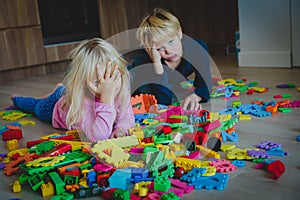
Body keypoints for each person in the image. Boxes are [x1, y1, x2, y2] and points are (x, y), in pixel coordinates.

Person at [11, 38, 135, 142]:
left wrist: (121, 129)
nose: (108, 85)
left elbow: (126, 116)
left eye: (111, 76)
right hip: (53, 107)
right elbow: (99, 137)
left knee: (62, 91)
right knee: (35, 105)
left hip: (66, 96)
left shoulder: (120, 90)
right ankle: (17, 98)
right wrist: (106, 99)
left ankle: (60, 88)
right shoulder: (82, 102)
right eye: (97, 82)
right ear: (83, 85)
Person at [128, 7, 212, 110]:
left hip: (171, 79)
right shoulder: (145, 60)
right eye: (159, 48)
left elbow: (205, 84)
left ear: (179, 32)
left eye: (171, 42)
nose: (169, 51)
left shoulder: (197, 48)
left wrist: (197, 96)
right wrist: (157, 64)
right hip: (134, 80)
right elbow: (163, 100)